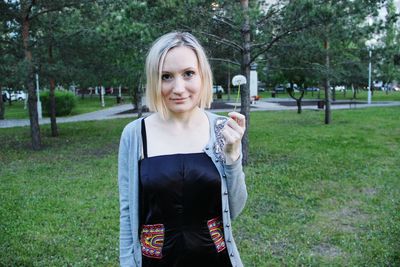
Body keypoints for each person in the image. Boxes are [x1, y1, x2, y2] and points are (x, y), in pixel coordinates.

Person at [118, 32, 247, 267]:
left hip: (214, 260)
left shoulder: (221, 128)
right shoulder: (135, 134)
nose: (178, 88)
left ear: (202, 76)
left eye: (188, 74)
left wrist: (232, 157)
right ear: (154, 80)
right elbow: (128, 212)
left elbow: (235, 210)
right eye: (166, 76)